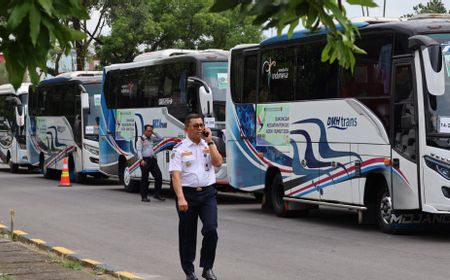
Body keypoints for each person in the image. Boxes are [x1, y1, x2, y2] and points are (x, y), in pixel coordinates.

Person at [169, 113, 223, 280]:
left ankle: (207, 268)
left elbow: (218, 162)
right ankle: (189, 271)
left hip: (208, 193)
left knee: (211, 230)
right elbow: (175, 176)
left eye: (201, 125)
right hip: (188, 195)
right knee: (187, 234)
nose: (200, 128)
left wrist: (211, 141)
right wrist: (180, 198)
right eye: (196, 126)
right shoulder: (179, 149)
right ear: (187, 129)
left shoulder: (208, 144)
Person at [136, 124, 165, 202]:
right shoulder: (141, 139)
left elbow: (161, 138)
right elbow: (139, 150)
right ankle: (144, 196)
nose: (150, 133)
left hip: (152, 160)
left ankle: (157, 194)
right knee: (145, 179)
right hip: (145, 160)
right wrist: (141, 160)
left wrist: (154, 132)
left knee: (158, 176)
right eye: (148, 131)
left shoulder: (152, 138)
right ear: (144, 131)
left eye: (151, 131)